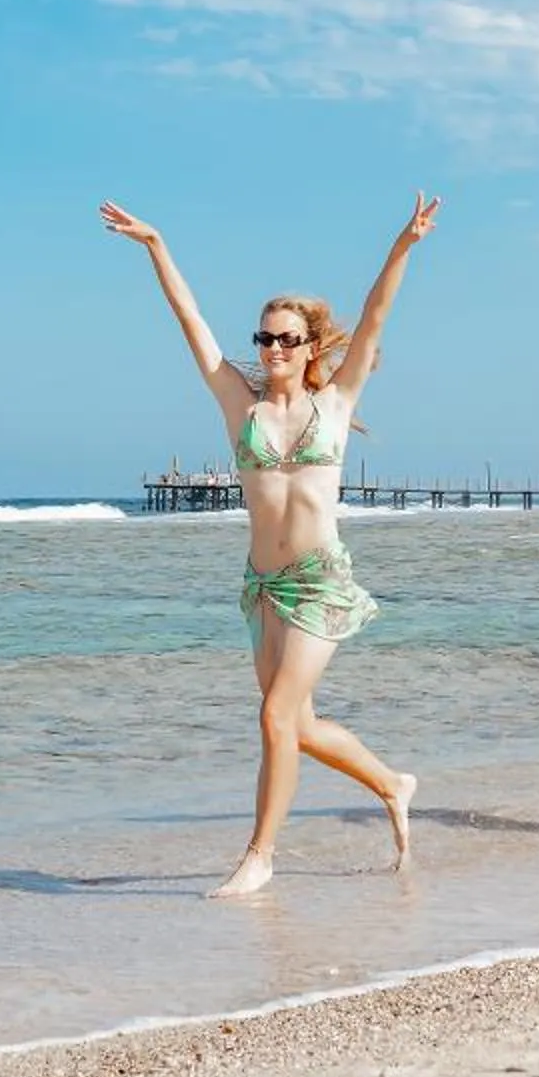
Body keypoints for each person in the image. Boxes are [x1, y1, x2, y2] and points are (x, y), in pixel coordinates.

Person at [100, 194, 439, 897]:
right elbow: (188, 321)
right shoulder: (239, 405)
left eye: (287, 339)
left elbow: (376, 314)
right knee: (299, 724)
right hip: (263, 585)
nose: (274, 349)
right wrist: (157, 244)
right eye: (264, 338)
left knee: (275, 716)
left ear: (311, 348)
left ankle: (260, 856)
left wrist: (403, 244)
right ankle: (391, 782)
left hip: (319, 581)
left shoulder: (338, 404)